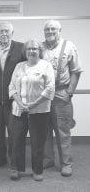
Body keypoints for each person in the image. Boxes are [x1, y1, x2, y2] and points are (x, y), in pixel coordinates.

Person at [9, 39, 55, 181]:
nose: (31, 51)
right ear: (25, 51)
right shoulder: (19, 66)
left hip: (39, 111)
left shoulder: (46, 66)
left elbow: (50, 88)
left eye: (34, 49)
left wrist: (33, 104)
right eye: (29, 49)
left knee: (37, 142)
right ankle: (16, 169)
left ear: (39, 51)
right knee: (16, 140)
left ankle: (37, 170)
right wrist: (20, 103)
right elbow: (11, 87)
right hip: (19, 110)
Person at [42, 20, 83, 177]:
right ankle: (48, 159)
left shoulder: (69, 46)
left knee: (62, 131)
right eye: (47, 29)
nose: (50, 31)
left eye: (53, 29)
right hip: (43, 96)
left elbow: (76, 70)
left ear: (60, 30)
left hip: (61, 93)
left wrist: (69, 92)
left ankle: (66, 163)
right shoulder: (40, 47)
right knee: (44, 130)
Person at [0, 22, 25, 168]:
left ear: (12, 33)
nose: (4, 34)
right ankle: (0, 157)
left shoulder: (21, 48)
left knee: (15, 133)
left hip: (13, 101)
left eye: (7, 31)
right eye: (1, 31)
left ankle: (15, 160)